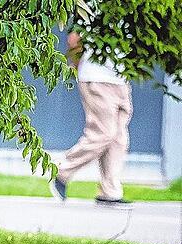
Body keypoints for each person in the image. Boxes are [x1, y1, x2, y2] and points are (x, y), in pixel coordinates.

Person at [49, 31, 133, 206]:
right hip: (97, 77)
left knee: (119, 138)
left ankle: (110, 191)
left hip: (121, 79)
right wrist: (82, 68)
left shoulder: (130, 8)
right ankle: (62, 170)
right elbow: (74, 39)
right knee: (104, 133)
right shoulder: (95, 5)